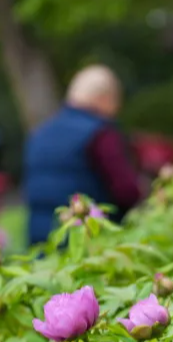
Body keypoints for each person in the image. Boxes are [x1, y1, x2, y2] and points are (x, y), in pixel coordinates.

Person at [24, 64, 143, 245]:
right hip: (87, 242)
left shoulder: (40, 132)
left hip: (41, 238)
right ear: (104, 98)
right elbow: (127, 192)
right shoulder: (101, 133)